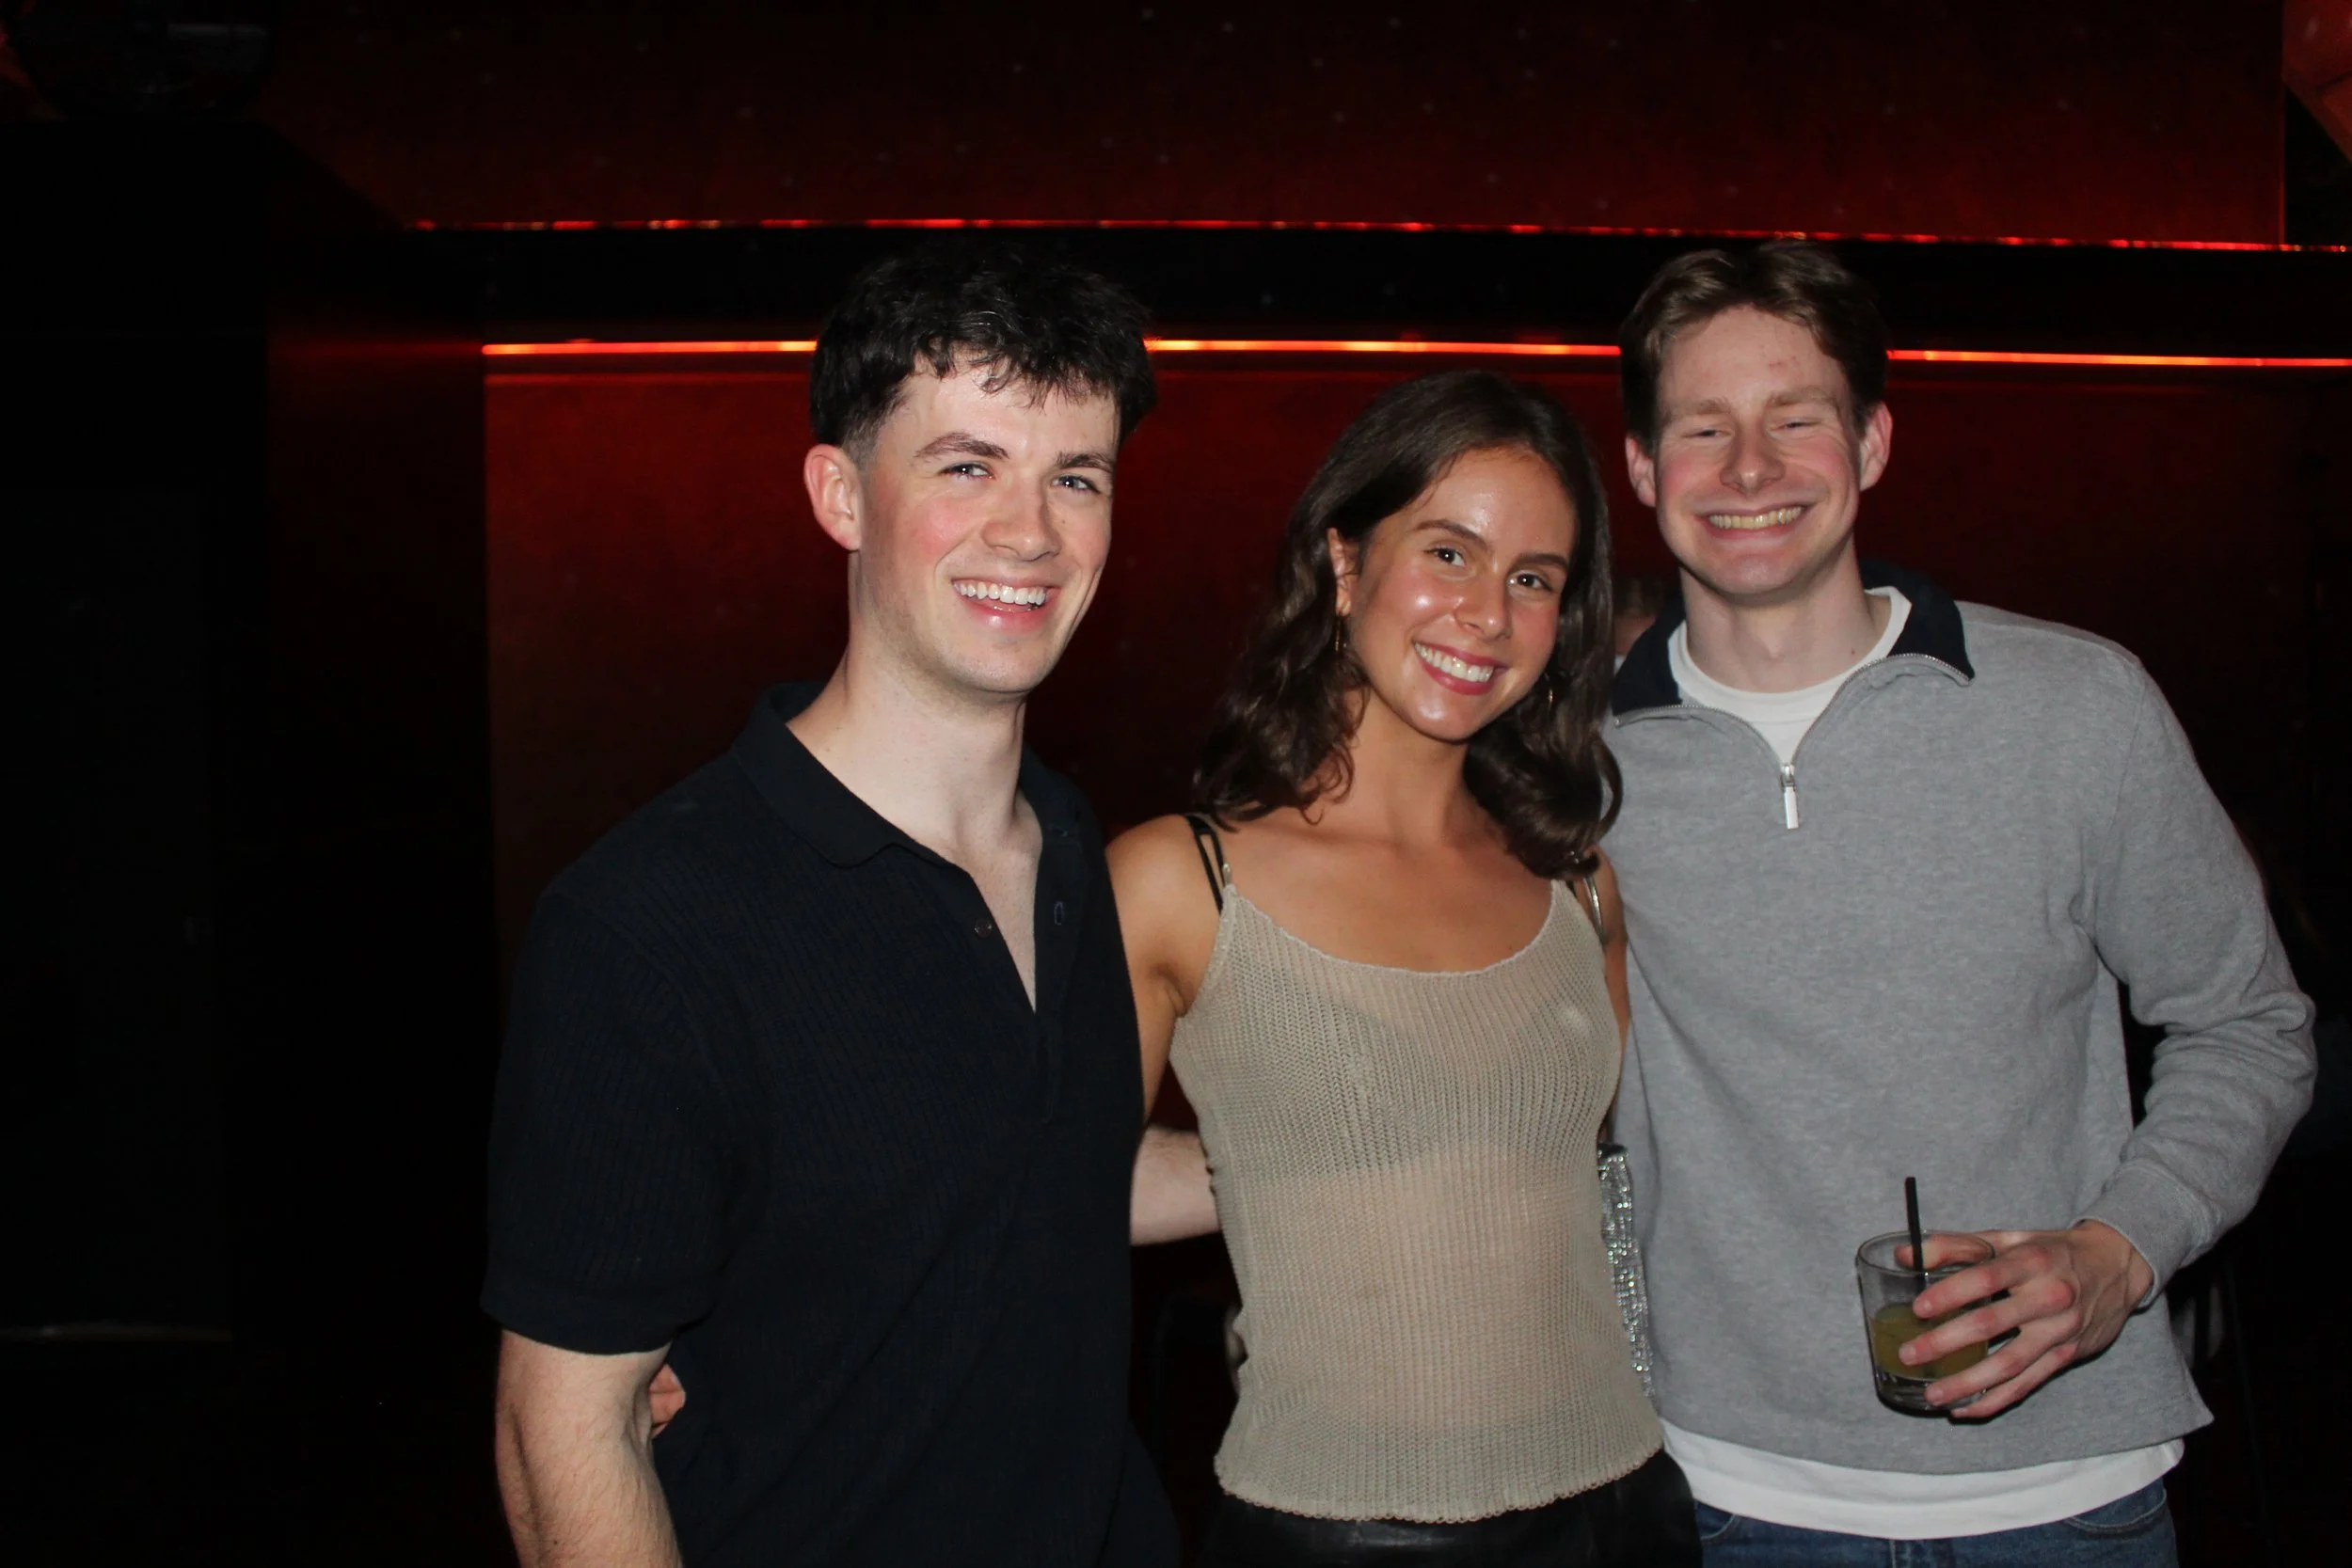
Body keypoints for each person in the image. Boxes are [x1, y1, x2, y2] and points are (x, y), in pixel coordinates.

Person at [1604, 241, 2316, 1564]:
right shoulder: (1575, 769)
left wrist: (2120, 1252)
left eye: (1794, 419)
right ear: (1644, 468)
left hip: (2069, 1495)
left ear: (1871, 441)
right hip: (1729, 1493)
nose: (1751, 471)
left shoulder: (2078, 705)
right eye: (1704, 429)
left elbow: (2248, 1022)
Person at [483, 243, 1177, 1567]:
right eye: (967, 464)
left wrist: (1402, 1151)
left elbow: (1038, 1168)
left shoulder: (1077, 846)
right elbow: (562, 1429)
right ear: (842, 493)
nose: (1029, 530)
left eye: (1073, 477)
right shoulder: (651, 924)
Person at [1117, 371, 1700, 1564]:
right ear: (1343, 563)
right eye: (1449, 552)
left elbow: (1561, 1170)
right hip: (1333, 1528)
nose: (1487, 613)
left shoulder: (1577, 879)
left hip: (1619, 1507)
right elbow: (1051, 1194)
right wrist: (1293, 1171)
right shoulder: (1182, 878)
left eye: (1533, 578)